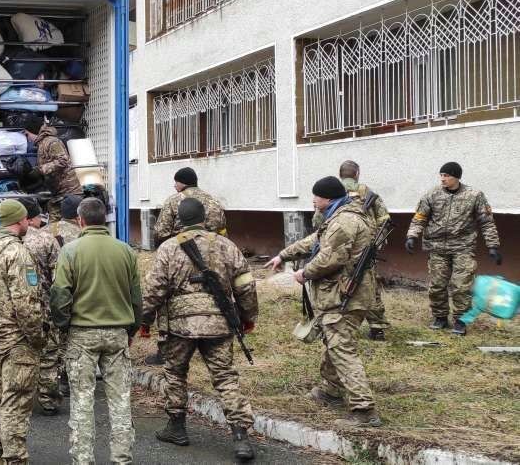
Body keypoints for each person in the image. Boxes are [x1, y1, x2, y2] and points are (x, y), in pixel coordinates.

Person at [141, 198, 257, 460]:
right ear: (204, 218)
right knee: (225, 377)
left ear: (179, 221)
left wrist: (144, 320)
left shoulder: (169, 247)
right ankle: (240, 436)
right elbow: (245, 285)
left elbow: (155, 289)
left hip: (179, 325)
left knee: (175, 373)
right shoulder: (226, 245)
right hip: (219, 322)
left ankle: (176, 427)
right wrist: (248, 316)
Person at [266, 177, 382, 428]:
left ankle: (364, 409)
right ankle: (330, 390)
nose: (313, 200)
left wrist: (305, 273)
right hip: (345, 293)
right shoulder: (340, 216)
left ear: (327, 198)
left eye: (315, 196)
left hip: (345, 296)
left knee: (341, 347)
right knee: (334, 341)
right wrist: (284, 255)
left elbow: (330, 258)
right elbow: (315, 241)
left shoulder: (343, 221)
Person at [50, 198, 142, 464]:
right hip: (117, 332)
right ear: (105, 219)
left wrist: (63, 325)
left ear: (80, 220)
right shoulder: (125, 251)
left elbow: (60, 294)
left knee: (82, 401)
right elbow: (136, 297)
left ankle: (83, 459)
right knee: (120, 399)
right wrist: (132, 329)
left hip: (82, 333)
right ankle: (122, 458)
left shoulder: (70, 251)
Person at [0, 201, 46, 465]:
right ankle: (15, 458)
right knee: (16, 399)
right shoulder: (18, 253)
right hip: (18, 338)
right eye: (26, 219)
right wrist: (37, 337)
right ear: (19, 221)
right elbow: (26, 303)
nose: (28, 223)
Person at [406, 162, 501, 335]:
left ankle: (460, 320)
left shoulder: (474, 195)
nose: (442, 179)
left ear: (456, 177)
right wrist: (412, 236)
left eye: (447, 175)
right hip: (437, 248)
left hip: (462, 247)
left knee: (461, 286)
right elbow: (419, 218)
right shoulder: (432, 194)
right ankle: (440, 317)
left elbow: (487, 222)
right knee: (437, 285)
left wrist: (493, 246)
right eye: (441, 175)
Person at [311, 160, 391, 340]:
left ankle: (332, 321)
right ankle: (377, 326)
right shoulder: (367, 192)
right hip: (363, 248)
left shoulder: (332, 193)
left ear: (340, 174)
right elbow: (384, 219)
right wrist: (375, 244)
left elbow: (317, 221)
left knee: (333, 284)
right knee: (368, 284)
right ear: (357, 173)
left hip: (335, 246)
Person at [17, 198, 64, 416]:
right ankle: (48, 399)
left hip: (13, 309)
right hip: (43, 307)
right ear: (31, 218)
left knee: (18, 353)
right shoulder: (46, 240)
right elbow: (59, 278)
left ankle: (19, 400)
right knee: (48, 355)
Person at [23, 120, 82, 222]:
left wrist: (41, 170)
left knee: (71, 223)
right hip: (58, 192)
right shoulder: (42, 144)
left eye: (27, 134)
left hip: (69, 191)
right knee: (54, 225)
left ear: (33, 131)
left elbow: (63, 160)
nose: (27, 138)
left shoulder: (51, 142)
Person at [153, 167, 227, 245]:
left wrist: (164, 247)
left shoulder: (173, 200)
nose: (174, 185)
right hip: (212, 248)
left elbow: (161, 232)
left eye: (176, 182)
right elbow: (222, 231)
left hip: (181, 248)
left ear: (183, 182)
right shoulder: (214, 200)